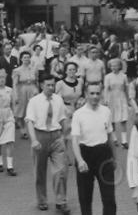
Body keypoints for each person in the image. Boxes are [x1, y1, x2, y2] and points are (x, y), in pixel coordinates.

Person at [25, 74, 70, 214]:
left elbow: (63, 119)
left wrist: (65, 136)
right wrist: (34, 140)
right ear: (41, 85)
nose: (51, 87)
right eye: (48, 85)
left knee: (61, 170)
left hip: (56, 137)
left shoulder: (58, 99)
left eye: (53, 85)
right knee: (40, 171)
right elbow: (30, 121)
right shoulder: (34, 101)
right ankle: (42, 200)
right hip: (40, 136)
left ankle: (61, 202)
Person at [71, 83, 117, 215]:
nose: (95, 96)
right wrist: (80, 160)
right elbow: (75, 140)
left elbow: (110, 136)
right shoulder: (78, 114)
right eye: (92, 93)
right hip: (85, 154)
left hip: (104, 155)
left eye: (97, 93)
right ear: (86, 94)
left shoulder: (106, 111)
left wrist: (114, 158)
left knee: (109, 197)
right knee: (85, 197)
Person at [56, 62, 84, 163]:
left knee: (79, 133)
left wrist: (81, 102)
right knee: (65, 134)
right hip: (66, 110)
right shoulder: (60, 83)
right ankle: (64, 155)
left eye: (73, 69)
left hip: (78, 109)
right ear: (66, 71)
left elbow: (82, 95)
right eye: (69, 69)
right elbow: (58, 99)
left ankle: (79, 156)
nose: (72, 72)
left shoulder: (80, 81)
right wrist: (66, 110)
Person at [12, 51, 39, 140]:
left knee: (33, 111)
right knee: (21, 112)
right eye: (24, 57)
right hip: (22, 91)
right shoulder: (17, 70)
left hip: (32, 90)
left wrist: (37, 91)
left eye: (28, 57)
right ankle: (23, 130)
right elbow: (15, 84)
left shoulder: (34, 69)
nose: (27, 59)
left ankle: (31, 129)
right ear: (21, 59)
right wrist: (15, 95)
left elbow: (37, 81)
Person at [104, 58, 130, 149]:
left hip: (121, 98)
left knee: (123, 119)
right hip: (112, 98)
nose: (114, 67)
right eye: (112, 66)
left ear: (120, 66)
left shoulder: (124, 76)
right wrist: (106, 100)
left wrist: (128, 99)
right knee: (113, 120)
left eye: (116, 65)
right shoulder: (108, 77)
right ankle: (114, 139)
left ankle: (124, 141)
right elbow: (106, 89)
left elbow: (126, 89)